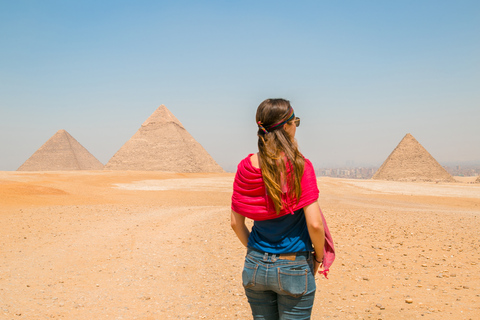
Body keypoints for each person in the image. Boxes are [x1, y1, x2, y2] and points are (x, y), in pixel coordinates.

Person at [231, 98, 332, 320]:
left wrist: (259, 252)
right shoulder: (300, 165)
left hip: (254, 265)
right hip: (293, 266)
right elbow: (315, 224)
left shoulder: (245, 167)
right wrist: (317, 258)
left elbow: (235, 224)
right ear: (286, 126)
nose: (296, 126)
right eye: (295, 121)